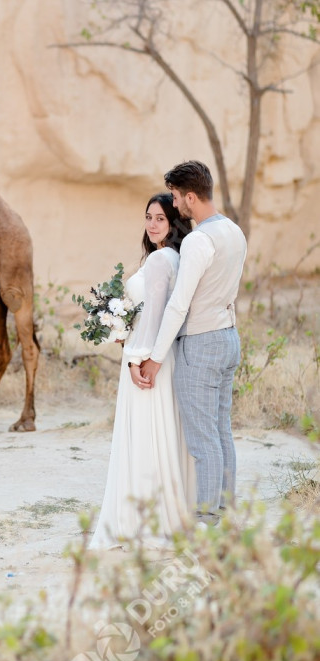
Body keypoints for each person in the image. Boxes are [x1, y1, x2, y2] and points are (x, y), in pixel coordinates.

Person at [137, 161, 247, 527]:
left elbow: (179, 304)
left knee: (203, 441)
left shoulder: (200, 239)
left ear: (189, 197)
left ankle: (207, 518)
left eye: (174, 197)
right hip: (228, 336)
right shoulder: (234, 231)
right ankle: (226, 511)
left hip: (201, 343)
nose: (173, 204)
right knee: (221, 431)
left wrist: (155, 357)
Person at [90, 193, 196, 549]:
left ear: (174, 222)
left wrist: (136, 358)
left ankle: (145, 522)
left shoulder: (160, 260)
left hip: (149, 361)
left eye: (160, 218)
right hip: (166, 356)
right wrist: (120, 326)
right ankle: (165, 515)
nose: (152, 224)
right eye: (148, 217)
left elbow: (153, 316)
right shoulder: (177, 257)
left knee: (146, 436)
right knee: (160, 434)